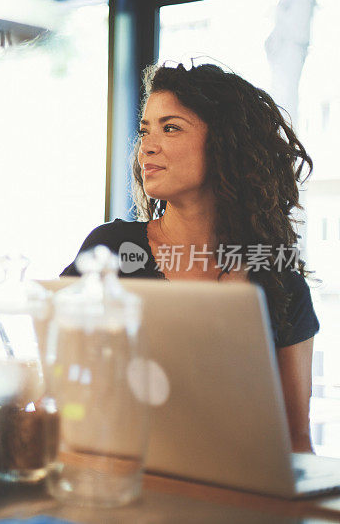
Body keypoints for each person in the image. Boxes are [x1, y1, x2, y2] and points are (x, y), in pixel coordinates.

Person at [61, 62, 319, 453]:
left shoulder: (278, 279)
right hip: (122, 483)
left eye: (171, 127)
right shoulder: (110, 251)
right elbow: (66, 389)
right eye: (146, 129)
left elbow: (295, 439)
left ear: (226, 144)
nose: (147, 145)